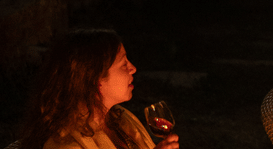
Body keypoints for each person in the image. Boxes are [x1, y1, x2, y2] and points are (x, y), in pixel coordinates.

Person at [17, 28, 179, 149]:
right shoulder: (67, 144)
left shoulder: (121, 120)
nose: (133, 68)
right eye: (123, 64)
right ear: (94, 79)